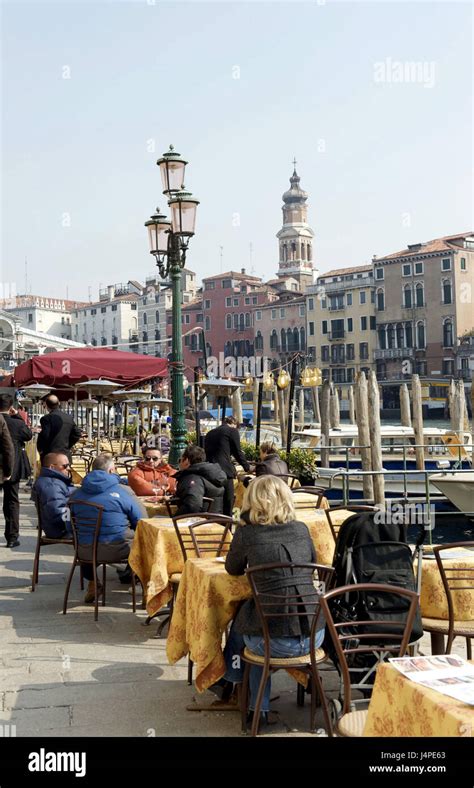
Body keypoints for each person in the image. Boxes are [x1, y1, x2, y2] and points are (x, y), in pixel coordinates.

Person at [220, 476, 325, 724]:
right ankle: (309, 687)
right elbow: (310, 563)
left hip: (273, 642)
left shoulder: (248, 533)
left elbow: (232, 569)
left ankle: (256, 707)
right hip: (314, 635)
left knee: (250, 625)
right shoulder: (302, 529)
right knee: (258, 620)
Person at [69, 453, 144, 603]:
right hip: (118, 550)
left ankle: (93, 582)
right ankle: (144, 586)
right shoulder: (123, 491)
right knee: (146, 544)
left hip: (84, 551)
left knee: (88, 541)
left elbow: (70, 526)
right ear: (111, 471)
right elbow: (141, 521)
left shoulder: (75, 495)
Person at [0, 395, 31, 548]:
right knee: (12, 501)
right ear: (10, 406)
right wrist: (17, 416)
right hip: (12, 466)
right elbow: (28, 435)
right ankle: (12, 537)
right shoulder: (16, 424)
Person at [204, 415, 250, 516]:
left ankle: (216, 523)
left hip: (209, 471)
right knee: (229, 501)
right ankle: (228, 526)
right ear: (234, 424)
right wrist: (247, 467)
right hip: (225, 471)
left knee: (214, 500)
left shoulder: (210, 433)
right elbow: (237, 452)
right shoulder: (232, 431)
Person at [32, 452, 75, 538]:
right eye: (65, 466)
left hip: (59, 527)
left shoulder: (53, 481)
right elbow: (57, 512)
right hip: (60, 530)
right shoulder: (52, 484)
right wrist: (76, 519)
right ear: (52, 467)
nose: (69, 468)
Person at [174, 445, 227, 515]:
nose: (179, 463)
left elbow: (192, 506)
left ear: (186, 460)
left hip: (198, 522)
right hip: (215, 521)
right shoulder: (211, 475)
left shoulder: (192, 478)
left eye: (179, 460)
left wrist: (174, 517)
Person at [37, 394, 82, 461]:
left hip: (50, 456)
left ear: (46, 405)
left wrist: (40, 450)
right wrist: (67, 445)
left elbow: (44, 436)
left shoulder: (46, 419)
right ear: (59, 403)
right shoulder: (68, 418)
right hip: (65, 455)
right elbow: (77, 433)